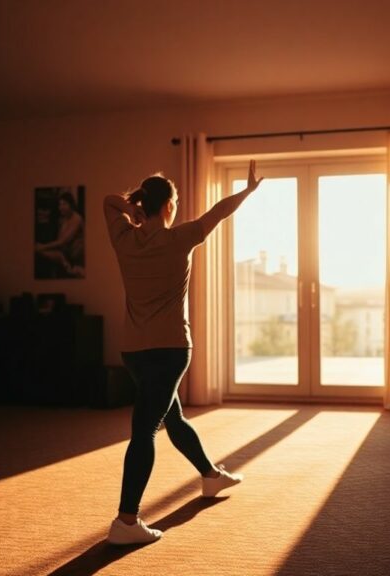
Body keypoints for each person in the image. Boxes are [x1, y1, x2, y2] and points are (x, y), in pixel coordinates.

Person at [103, 160, 265, 545]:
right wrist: (247, 191)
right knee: (145, 430)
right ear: (170, 206)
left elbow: (108, 201)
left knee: (170, 416)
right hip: (170, 349)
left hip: (134, 352)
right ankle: (126, 521)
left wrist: (130, 210)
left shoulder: (124, 238)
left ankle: (210, 476)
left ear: (143, 203)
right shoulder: (180, 238)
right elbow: (219, 211)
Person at [35, 192, 85, 277]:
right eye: (60, 204)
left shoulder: (77, 219)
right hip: (64, 255)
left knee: (40, 250)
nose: (61, 207)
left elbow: (62, 242)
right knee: (40, 251)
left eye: (64, 204)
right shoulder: (62, 219)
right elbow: (59, 241)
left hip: (75, 258)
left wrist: (42, 246)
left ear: (71, 205)